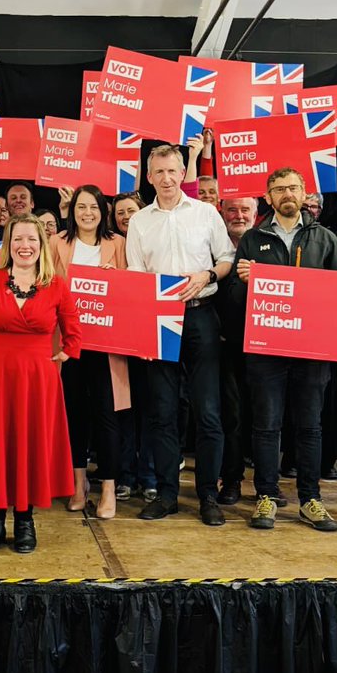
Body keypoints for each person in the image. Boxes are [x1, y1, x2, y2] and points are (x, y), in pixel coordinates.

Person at [0, 214, 81, 553]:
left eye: (31, 239)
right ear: (8, 244)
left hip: (38, 380)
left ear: (41, 245)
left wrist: (67, 353)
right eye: (18, 239)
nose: (24, 246)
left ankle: (25, 522)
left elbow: (73, 328)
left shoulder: (55, 283)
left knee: (28, 445)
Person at [126, 145, 234, 525]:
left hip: (202, 316)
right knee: (162, 412)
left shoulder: (206, 213)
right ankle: (168, 494)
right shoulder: (139, 221)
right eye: (160, 172)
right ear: (149, 176)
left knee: (207, 411)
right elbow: (137, 276)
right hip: (158, 321)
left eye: (173, 171)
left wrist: (206, 275)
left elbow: (226, 260)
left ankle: (208, 495)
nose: (167, 178)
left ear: (181, 172)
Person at [233, 169, 337, 531]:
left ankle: (310, 499)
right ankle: (266, 496)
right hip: (266, 348)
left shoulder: (324, 238)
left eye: (293, 188)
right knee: (266, 426)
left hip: (312, 349)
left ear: (303, 193)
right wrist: (245, 282)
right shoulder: (253, 238)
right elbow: (235, 300)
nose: (287, 194)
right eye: (279, 189)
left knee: (310, 427)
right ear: (268, 197)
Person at [49, 185, 129, 520]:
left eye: (93, 207)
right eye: (81, 207)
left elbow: (132, 290)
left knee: (107, 417)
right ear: (72, 210)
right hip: (68, 344)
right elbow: (46, 284)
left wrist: (117, 281)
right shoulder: (57, 243)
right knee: (73, 416)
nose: (87, 213)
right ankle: (78, 484)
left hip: (106, 346)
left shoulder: (118, 244)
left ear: (103, 211)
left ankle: (108, 487)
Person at [108, 190, 155, 502]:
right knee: (123, 410)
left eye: (130, 211)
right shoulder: (110, 246)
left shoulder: (153, 240)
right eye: (120, 213)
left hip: (151, 335)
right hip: (118, 341)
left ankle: (150, 475)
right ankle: (125, 475)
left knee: (153, 410)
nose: (126, 217)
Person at [214, 195, 258, 507]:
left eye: (245, 209)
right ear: (222, 211)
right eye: (232, 209)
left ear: (256, 213)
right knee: (230, 417)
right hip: (223, 345)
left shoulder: (268, 243)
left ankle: (268, 485)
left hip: (265, 348)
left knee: (266, 417)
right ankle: (231, 480)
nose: (238, 215)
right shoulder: (211, 242)